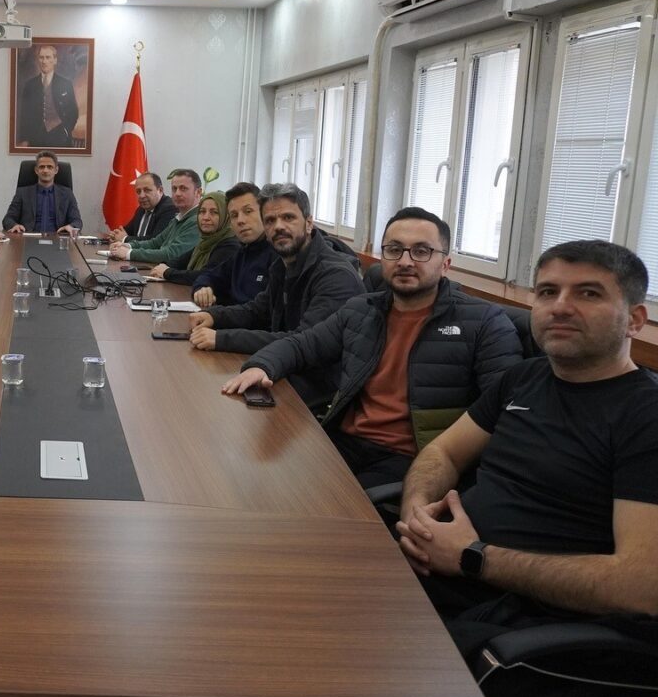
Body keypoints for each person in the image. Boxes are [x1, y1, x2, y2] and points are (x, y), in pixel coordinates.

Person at [394, 240, 658, 697]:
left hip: (532, 619)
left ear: (634, 320)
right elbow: (443, 453)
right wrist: (418, 515)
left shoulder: (645, 415)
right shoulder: (524, 379)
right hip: (448, 570)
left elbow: (640, 585)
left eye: (589, 293)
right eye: (548, 291)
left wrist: (474, 557)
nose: (561, 307)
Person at [222, 207, 523, 488]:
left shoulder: (485, 323)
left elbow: (504, 415)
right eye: (394, 249)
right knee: (255, 476)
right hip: (346, 441)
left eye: (421, 251)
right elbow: (303, 344)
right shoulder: (362, 310)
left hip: (412, 458)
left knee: (319, 504)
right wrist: (262, 366)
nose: (405, 261)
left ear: (445, 264)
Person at [188, 183, 362, 407]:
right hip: (286, 368)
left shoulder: (336, 276)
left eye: (288, 217)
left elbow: (303, 341)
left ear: (309, 223)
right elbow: (257, 310)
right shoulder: (284, 264)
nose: (278, 226)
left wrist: (221, 338)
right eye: (270, 220)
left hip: (322, 389)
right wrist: (214, 316)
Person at [191, 182, 273, 307]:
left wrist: (218, 315)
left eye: (248, 211)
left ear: (264, 212)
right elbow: (209, 276)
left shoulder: (278, 256)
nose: (240, 220)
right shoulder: (242, 253)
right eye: (234, 215)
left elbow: (260, 311)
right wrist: (202, 288)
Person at [107, 169, 202, 264]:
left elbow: (171, 253)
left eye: (183, 188)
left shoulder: (198, 221)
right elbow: (155, 243)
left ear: (198, 192)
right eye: (174, 189)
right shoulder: (178, 218)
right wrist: (127, 246)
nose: (177, 193)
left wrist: (129, 253)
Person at [148, 191, 237, 285]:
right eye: (202, 212)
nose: (206, 217)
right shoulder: (204, 243)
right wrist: (162, 266)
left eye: (214, 212)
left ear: (226, 215)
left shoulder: (230, 245)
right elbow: (180, 261)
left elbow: (205, 276)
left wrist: (167, 272)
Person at [2, 150, 83, 234]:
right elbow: (8, 219)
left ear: (56, 170)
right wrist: (14, 225)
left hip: (57, 237)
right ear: (36, 170)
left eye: (50, 167)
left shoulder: (67, 194)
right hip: (29, 237)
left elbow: (77, 221)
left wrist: (70, 226)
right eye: (42, 167)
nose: (45, 170)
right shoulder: (22, 193)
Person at [17, 45, 78, 147]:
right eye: (41, 57)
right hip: (36, 138)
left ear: (55, 60)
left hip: (60, 137)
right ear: (38, 60)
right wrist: (24, 139)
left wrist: (66, 130)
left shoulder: (66, 84)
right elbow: (24, 115)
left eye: (48, 57)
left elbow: (73, 112)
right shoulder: (29, 85)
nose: (44, 61)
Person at [107, 172, 176, 243]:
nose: (141, 196)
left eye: (147, 190)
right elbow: (126, 231)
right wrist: (115, 235)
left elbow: (155, 241)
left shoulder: (170, 208)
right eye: (138, 191)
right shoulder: (141, 209)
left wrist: (124, 239)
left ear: (160, 190)